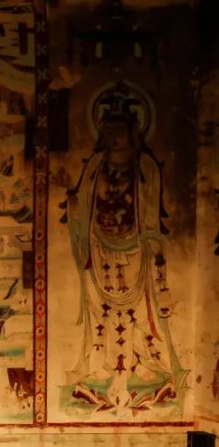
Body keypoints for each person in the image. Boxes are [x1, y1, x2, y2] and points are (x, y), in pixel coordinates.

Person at [63, 82, 180, 410]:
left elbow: (151, 215)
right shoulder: (95, 167)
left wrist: (156, 258)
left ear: (133, 132)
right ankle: (104, 369)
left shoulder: (145, 168)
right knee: (102, 311)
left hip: (135, 252)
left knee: (139, 313)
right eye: (108, 129)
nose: (113, 136)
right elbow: (82, 204)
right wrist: (74, 210)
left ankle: (143, 367)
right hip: (100, 249)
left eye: (119, 129)